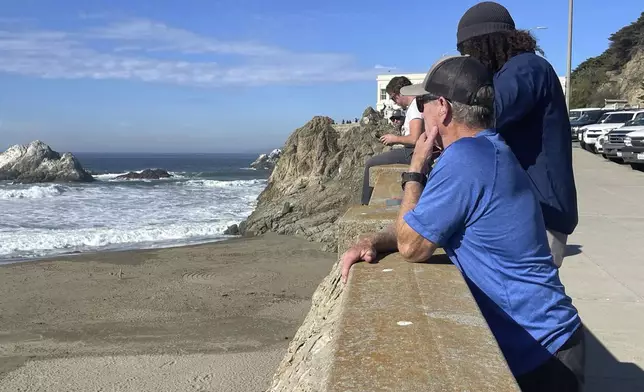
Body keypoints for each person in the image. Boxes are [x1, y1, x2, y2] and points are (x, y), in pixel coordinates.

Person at [341, 55, 585, 391]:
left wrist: (415, 171)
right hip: (550, 340)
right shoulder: (489, 149)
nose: (418, 110)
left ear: (442, 108)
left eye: (423, 102)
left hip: (541, 352)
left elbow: (413, 246)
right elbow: (425, 225)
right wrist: (376, 240)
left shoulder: (464, 159)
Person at [456, 1, 578, 268]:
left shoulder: (525, 68)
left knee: (527, 302)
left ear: (484, 44)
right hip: (533, 211)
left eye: (469, 51)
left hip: (542, 214)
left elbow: (490, 113)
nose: (469, 61)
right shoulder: (519, 69)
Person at [361, 76, 424, 205]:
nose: (395, 102)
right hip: (411, 150)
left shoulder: (415, 108)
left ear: (401, 92)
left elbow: (415, 138)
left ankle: (365, 204)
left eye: (394, 98)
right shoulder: (416, 105)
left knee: (370, 163)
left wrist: (394, 139)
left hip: (412, 152)